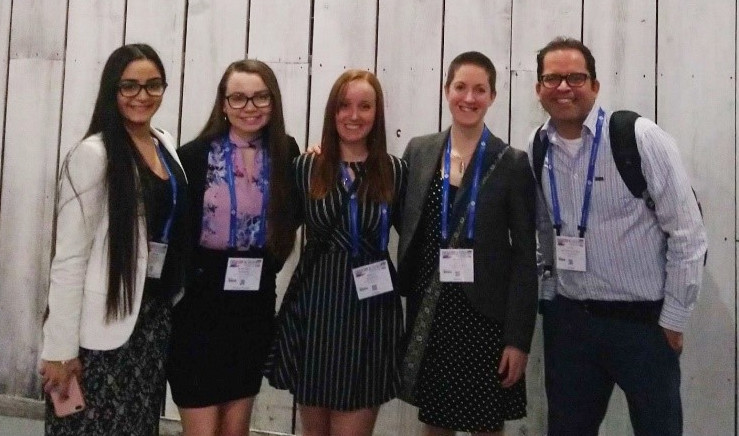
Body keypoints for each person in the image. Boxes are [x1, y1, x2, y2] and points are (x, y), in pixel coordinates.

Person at [531, 37, 707, 436]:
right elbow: (546, 230)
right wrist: (551, 303)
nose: (563, 87)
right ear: (538, 87)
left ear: (594, 85)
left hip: (642, 325)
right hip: (571, 324)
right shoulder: (538, 145)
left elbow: (688, 234)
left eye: (575, 77)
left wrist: (674, 319)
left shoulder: (639, 137)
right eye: (552, 78)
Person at [39, 43, 188, 435]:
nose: (143, 96)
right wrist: (59, 350)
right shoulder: (93, 154)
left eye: (153, 86)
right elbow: (69, 259)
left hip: (152, 320)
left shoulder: (164, 143)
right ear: (113, 90)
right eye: (130, 87)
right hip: (101, 330)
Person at [397, 51, 538, 436]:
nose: (469, 98)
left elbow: (527, 258)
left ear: (492, 96)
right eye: (461, 87)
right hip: (432, 311)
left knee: (485, 426)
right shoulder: (420, 151)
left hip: (487, 320)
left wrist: (517, 340)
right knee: (434, 424)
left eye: (480, 89)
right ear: (447, 90)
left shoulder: (511, 163)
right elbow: (396, 214)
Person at [264, 69, 407, 436]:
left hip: (371, 313)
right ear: (332, 111)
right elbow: (279, 234)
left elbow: (416, 237)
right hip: (317, 306)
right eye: (344, 106)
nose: (354, 115)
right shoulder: (307, 167)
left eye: (364, 106)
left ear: (377, 114)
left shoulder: (395, 172)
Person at [167, 59, 300, 436]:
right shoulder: (192, 156)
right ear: (223, 105)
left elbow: (297, 213)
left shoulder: (287, 154)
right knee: (201, 426)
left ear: (272, 102)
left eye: (260, 97)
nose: (250, 107)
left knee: (236, 427)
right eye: (238, 98)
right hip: (199, 305)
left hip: (253, 306)